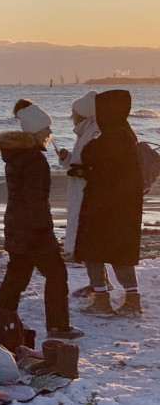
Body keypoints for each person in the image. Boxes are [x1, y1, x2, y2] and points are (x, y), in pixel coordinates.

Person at [0, 100, 82, 339]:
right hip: (33, 229)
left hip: (16, 224)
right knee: (55, 274)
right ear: (36, 131)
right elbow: (35, 200)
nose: (50, 133)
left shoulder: (16, 156)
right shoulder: (34, 160)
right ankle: (57, 326)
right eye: (46, 128)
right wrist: (43, 228)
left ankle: (0, 321)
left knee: (16, 276)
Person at [75, 89, 144, 316]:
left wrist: (85, 168)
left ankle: (101, 300)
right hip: (124, 207)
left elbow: (91, 155)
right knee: (121, 254)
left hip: (102, 207)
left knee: (92, 252)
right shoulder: (126, 134)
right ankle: (132, 300)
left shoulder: (111, 137)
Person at [56, 91, 106, 297]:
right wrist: (67, 159)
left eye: (75, 112)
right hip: (81, 190)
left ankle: (100, 285)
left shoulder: (94, 133)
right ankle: (99, 282)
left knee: (87, 238)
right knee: (85, 238)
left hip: (87, 192)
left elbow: (93, 166)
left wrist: (76, 169)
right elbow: (80, 162)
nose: (71, 116)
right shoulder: (85, 133)